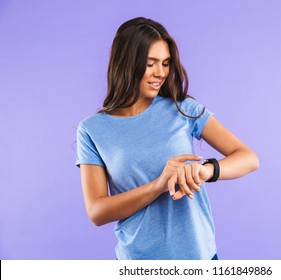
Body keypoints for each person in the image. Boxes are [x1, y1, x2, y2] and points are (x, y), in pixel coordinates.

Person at [75, 17, 259, 260]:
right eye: (150, 63)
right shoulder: (92, 129)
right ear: (126, 63)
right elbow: (97, 211)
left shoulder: (183, 109)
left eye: (165, 63)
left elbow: (248, 158)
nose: (160, 73)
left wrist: (204, 171)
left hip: (199, 258)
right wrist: (158, 185)